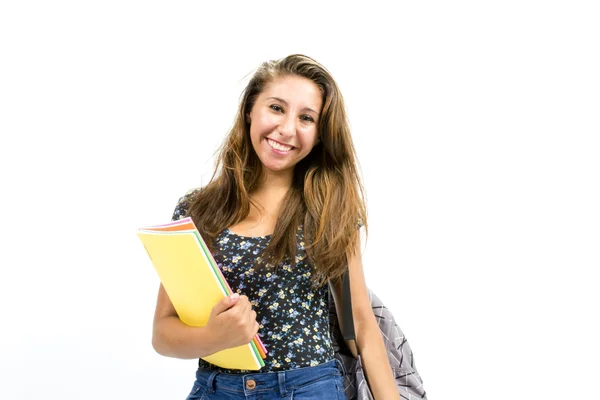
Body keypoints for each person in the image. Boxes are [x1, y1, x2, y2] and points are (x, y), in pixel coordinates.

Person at [152, 54, 400, 400]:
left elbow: (360, 325)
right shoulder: (199, 210)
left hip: (311, 389)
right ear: (250, 110)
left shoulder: (328, 209)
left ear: (320, 136)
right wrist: (215, 336)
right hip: (216, 390)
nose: (287, 129)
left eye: (307, 118)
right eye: (276, 108)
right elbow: (163, 333)